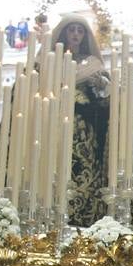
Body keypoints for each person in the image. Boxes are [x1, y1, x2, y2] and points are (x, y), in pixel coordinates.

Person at [46, 14, 110, 226]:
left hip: (84, 130)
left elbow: (106, 96)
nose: (75, 34)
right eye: (71, 29)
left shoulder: (92, 64)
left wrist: (101, 84)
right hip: (54, 125)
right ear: (63, 32)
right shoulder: (49, 60)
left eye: (80, 30)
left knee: (83, 170)